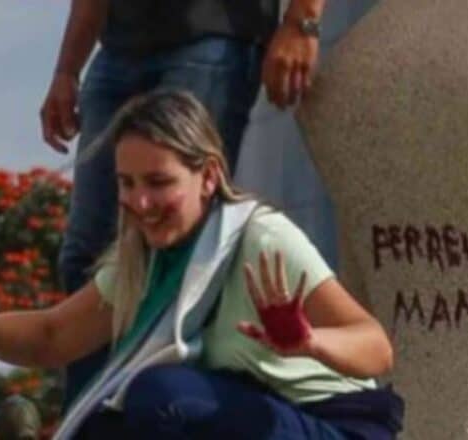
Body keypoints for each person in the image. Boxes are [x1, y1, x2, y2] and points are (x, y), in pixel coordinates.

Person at [0, 91, 402, 439]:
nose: (140, 203)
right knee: (102, 428)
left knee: (162, 398)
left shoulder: (259, 237)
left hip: (331, 425)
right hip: (250, 414)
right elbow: (55, 336)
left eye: (159, 182)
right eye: (127, 183)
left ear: (209, 177)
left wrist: (310, 342)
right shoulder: (144, 258)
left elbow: (377, 349)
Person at [40, 0, 327, 406]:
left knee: (183, 245)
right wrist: (67, 69)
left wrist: (301, 22)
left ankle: (176, 411)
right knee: (87, 256)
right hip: (119, 47)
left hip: (212, 37)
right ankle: (92, 420)